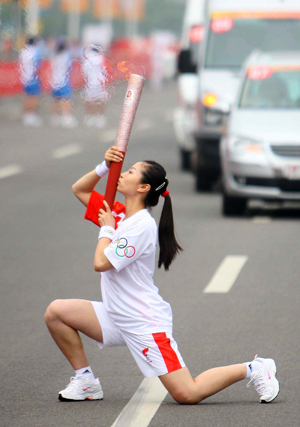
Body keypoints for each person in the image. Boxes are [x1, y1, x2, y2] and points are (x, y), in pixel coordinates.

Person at [44, 146, 280, 404]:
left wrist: (107, 230)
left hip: (144, 323)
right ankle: (86, 381)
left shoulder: (140, 227)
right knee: (57, 313)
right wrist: (104, 166)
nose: (122, 173)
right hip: (116, 314)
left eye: (131, 171)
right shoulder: (121, 213)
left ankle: (255, 368)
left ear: (144, 188)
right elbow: (80, 189)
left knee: (187, 394)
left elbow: (101, 262)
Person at [50, 39, 77, 129]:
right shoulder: (66, 56)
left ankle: (55, 117)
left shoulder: (54, 56)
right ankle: (66, 117)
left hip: (54, 81)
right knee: (66, 99)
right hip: (63, 81)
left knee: (55, 99)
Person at [82, 45, 109, 128]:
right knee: (100, 100)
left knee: (89, 100)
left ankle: (90, 116)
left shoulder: (87, 59)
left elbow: (84, 72)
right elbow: (106, 69)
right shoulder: (101, 58)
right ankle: (100, 117)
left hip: (89, 83)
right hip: (99, 83)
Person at [19, 36, 43, 127]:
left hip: (25, 78)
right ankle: (31, 115)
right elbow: (37, 65)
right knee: (34, 97)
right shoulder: (34, 52)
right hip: (32, 78)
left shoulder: (23, 52)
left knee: (27, 97)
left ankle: (27, 115)